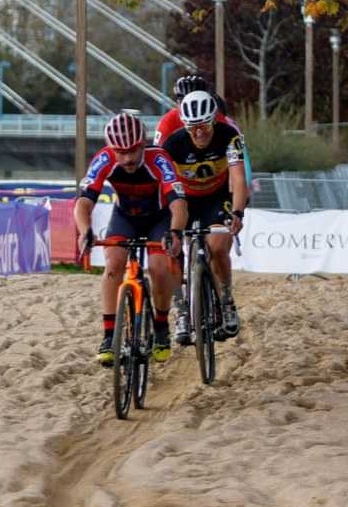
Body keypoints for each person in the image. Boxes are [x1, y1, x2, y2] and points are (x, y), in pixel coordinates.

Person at [74, 111, 187, 366]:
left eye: (132, 151)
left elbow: (178, 202)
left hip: (159, 218)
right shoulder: (104, 159)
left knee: (159, 269)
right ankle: (108, 336)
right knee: (113, 265)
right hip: (125, 217)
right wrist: (85, 231)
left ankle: (160, 327)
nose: (126, 158)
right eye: (120, 152)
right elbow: (83, 202)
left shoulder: (158, 158)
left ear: (143, 144)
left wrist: (176, 232)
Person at [159, 90, 250, 340]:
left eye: (204, 126)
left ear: (214, 120)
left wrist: (239, 213)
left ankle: (227, 302)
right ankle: (182, 310)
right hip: (184, 200)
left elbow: (239, 179)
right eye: (192, 127)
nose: (199, 132)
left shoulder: (228, 136)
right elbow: (162, 186)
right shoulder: (173, 144)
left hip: (216, 197)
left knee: (218, 246)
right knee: (173, 249)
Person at [156, 72, 224, 146]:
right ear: (178, 102)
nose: (193, 108)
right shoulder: (168, 121)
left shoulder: (217, 117)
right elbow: (160, 151)